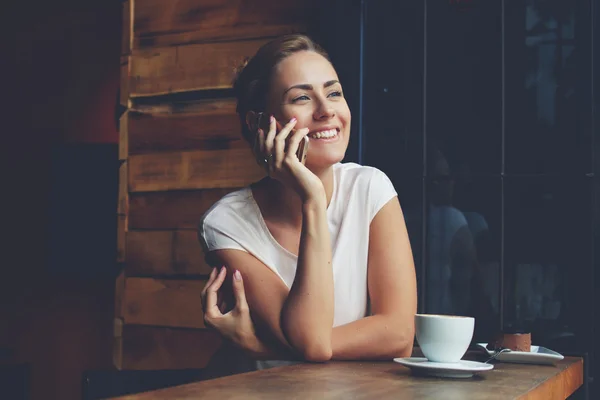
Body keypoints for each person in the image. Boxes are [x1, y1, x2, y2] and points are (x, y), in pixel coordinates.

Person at [197, 34, 417, 375]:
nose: (326, 110)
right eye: (301, 97)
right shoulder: (226, 222)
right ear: (258, 123)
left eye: (334, 93)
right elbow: (312, 342)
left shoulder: (370, 187)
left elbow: (399, 336)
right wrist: (312, 200)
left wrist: (262, 346)